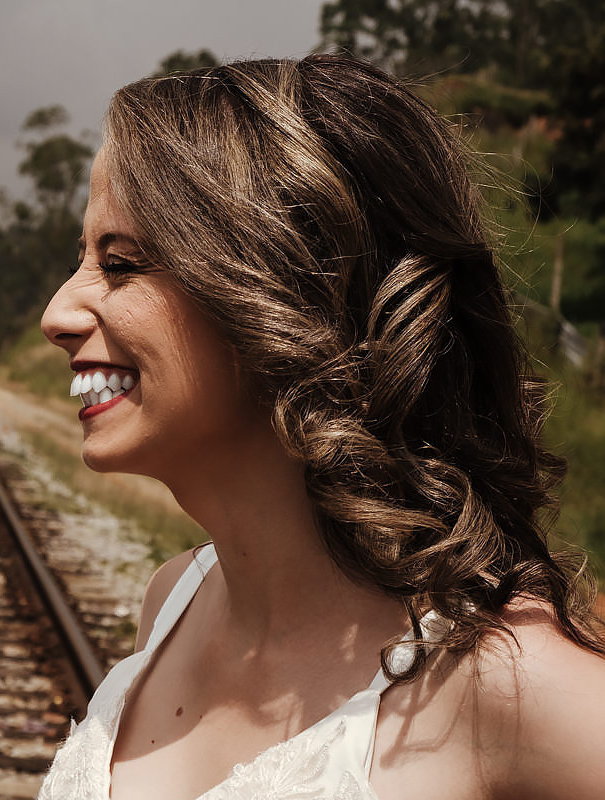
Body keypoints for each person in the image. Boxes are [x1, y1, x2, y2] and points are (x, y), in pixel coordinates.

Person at [37, 55, 605, 799]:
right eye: (82, 258)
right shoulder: (172, 601)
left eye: (120, 263)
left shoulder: (506, 683)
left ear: (277, 291)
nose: (57, 314)